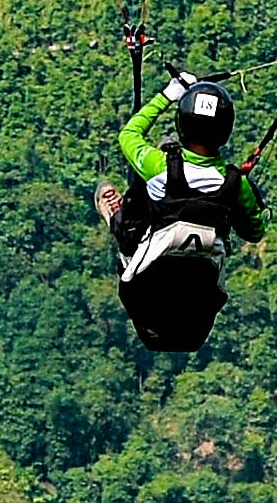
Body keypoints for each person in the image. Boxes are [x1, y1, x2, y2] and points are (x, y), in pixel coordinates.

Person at [95, 71, 259, 353]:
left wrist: (168, 95)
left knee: (144, 193)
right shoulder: (236, 185)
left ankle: (120, 225)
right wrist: (246, 191)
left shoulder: (158, 165)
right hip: (197, 316)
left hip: (145, 296)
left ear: (182, 124)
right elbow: (254, 232)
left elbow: (129, 135)